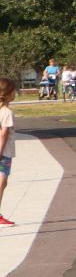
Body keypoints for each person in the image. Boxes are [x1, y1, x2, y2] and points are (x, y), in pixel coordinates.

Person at [0, 78, 17, 226]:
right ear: (9, 93)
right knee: (2, 182)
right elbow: (4, 133)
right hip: (3, 153)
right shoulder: (6, 112)